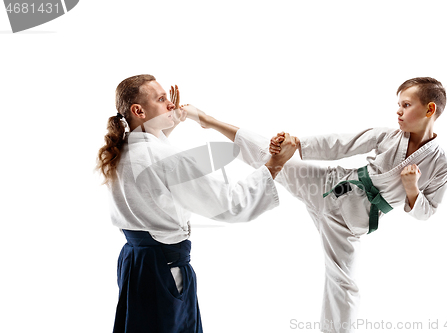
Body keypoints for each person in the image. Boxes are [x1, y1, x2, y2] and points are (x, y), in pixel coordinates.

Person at [179, 77, 447, 333]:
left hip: (348, 224)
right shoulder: (389, 136)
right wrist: (296, 143)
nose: (398, 112)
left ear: (429, 109)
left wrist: (412, 188)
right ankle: (209, 120)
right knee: (268, 154)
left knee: (344, 284)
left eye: (406, 105)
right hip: (327, 185)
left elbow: (427, 212)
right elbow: (341, 144)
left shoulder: (440, 164)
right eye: (398, 105)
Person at [95, 74, 297, 333]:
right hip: (163, 271)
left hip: (134, 263)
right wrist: (275, 164)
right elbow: (230, 204)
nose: (171, 104)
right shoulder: (165, 157)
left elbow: (151, 150)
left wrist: (168, 122)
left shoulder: (120, 149)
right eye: (161, 99)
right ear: (138, 110)